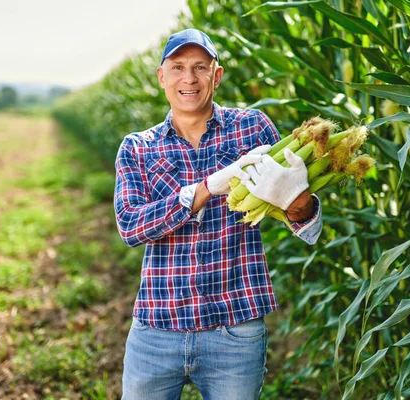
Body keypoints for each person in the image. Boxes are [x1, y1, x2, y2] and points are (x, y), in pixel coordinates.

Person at [114, 28, 322, 400]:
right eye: (177, 67)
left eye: (200, 67)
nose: (188, 78)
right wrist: (206, 187)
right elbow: (130, 227)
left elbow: (301, 222)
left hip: (235, 332)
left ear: (217, 75)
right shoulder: (137, 148)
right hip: (157, 329)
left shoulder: (252, 129)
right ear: (162, 77)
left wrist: (297, 198)